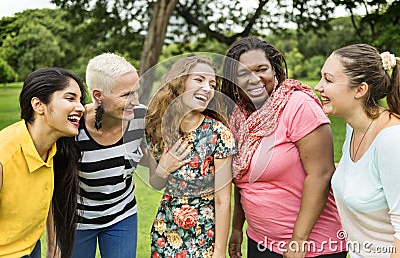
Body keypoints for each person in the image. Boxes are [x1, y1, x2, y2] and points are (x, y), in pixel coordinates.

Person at [221, 36, 347, 258]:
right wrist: (237, 228)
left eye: (262, 69)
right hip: (260, 241)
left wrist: (298, 241)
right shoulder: (239, 118)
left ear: (275, 71)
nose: (254, 79)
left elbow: (321, 173)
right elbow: (244, 180)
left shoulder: (297, 104)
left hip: (312, 246)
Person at [145, 56, 236, 258]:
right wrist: (163, 169)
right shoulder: (158, 128)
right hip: (165, 233)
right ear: (180, 82)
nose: (208, 88)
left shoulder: (218, 134)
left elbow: (223, 199)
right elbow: (156, 182)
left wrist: (219, 250)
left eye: (212, 84)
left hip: (203, 237)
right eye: (199, 80)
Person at [315, 44, 400, 257]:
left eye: (329, 80)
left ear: (360, 90)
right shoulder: (354, 128)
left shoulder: (392, 141)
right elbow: (361, 176)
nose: (318, 86)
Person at [0, 67, 85, 258]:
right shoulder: (4, 156)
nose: (81, 107)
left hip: (31, 249)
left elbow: (47, 196)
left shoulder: (54, 149)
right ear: (38, 105)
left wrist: (54, 244)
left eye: (80, 100)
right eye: (70, 98)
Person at [71, 53, 147, 258]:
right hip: (78, 221)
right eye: (126, 95)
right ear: (98, 95)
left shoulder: (141, 118)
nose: (135, 101)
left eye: (137, 92)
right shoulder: (72, 127)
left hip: (122, 215)